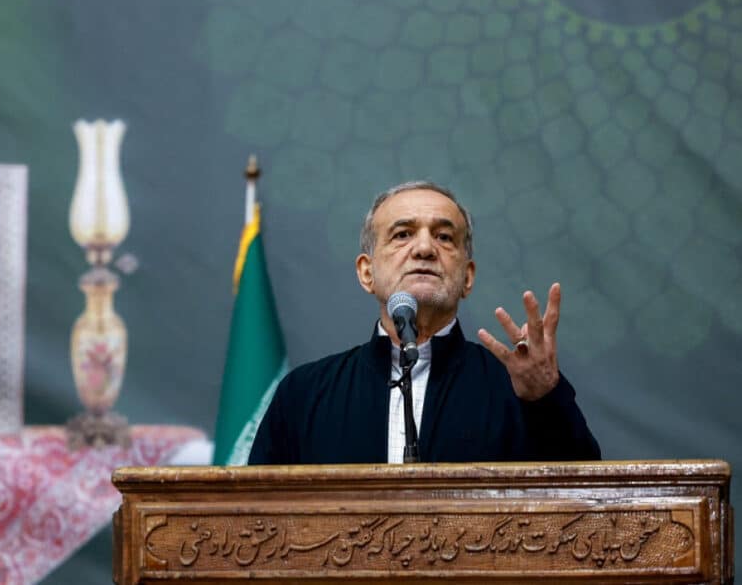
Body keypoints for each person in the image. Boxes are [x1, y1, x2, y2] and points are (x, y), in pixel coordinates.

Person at [248, 181, 600, 464]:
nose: (424, 249)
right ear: (367, 273)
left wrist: (545, 398)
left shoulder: (519, 387)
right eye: (402, 234)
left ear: (468, 277)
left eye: (444, 237)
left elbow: (586, 503)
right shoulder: (305, 394)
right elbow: (255, 515)